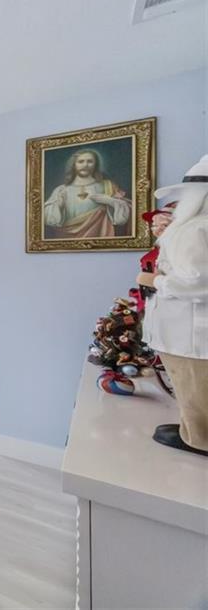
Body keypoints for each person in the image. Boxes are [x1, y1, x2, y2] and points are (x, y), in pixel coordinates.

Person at [139, 154, 208, 456]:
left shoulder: (194, 231)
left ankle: (198, 438)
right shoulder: (192, 229)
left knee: (194, 385)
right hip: (184, 332)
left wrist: (154, 281)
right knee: (189, 387)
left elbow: (196, 282)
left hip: (190, 335)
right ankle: (190, 429)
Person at [43, 148, 132, 239]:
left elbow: (125, 215)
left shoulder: (107, 185)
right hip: (66, 238)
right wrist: (59, 206)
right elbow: (50, 220)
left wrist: (110, 201)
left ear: (95, 165)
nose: (85, 165)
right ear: (74, 165)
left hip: (100, 236)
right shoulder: (61, 190)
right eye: (81, 161)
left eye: (90, 161)